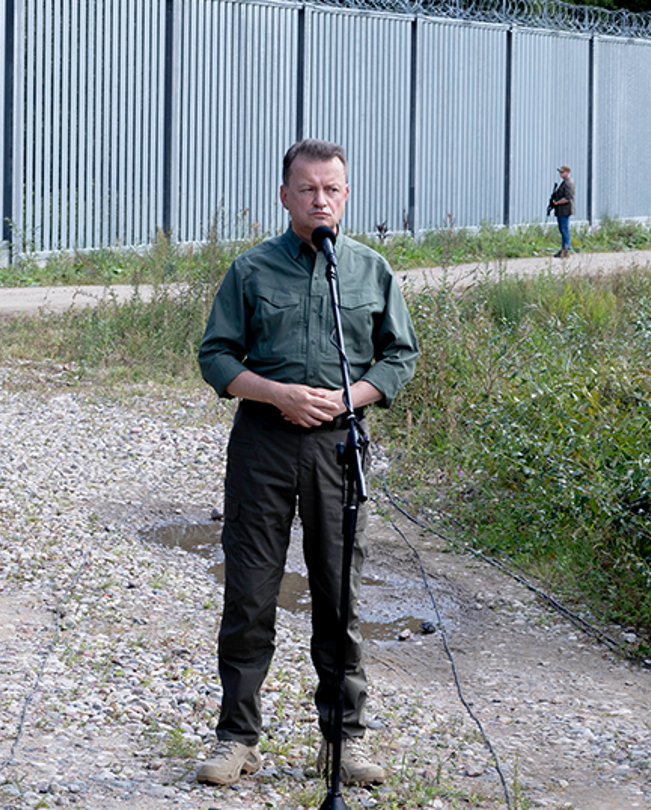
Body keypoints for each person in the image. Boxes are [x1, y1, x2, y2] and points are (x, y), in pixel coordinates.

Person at [193, 139, 419, 788]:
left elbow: (398, 357)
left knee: (338, 595)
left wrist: (349, 398)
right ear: (285, 194)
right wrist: (277, 394)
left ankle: (342, 741)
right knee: (250, 594)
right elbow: (216, 357)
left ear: (345, 195)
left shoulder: (369, 270)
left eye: (333, 189)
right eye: (308, 189)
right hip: (264, 445)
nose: (321, 200)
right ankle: (237, 737)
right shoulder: (251, 271)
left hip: (337, 448)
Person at [547, 165, 575, 258]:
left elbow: (567, 198)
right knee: (562, 230)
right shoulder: (564, 183)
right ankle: (564, 249)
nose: (560, 174)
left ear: (567, 172)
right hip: (561, 210)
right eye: (560, 172)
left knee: (565, 229)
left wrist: (556, 203)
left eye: (562, 172)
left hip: (565, 210)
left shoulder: (569, 183)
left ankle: (566, 250)